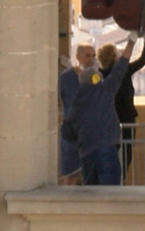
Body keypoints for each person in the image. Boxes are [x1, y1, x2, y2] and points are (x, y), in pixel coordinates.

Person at [61, 32, 138, 185]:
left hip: (87, 155)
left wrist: (80, 138)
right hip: (107, 150)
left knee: (92, 196)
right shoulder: (106, 90)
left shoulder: (77, 103)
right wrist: (131, 41)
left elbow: (66, 132)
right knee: (109, 196)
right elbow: (121, 66)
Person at [96, 35, 145, 175]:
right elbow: (142, 60)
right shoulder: (123, 71)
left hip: (106, 121)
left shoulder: (99, 76)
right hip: (126, 119)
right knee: (126, 155)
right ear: (115, 57)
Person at [58, 42, 95, 185]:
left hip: (91, 135)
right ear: (78, 56)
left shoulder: (96, 78)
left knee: (91, 177)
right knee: (70, 176)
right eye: (87, 55)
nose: (91, 60)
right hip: (71, 136)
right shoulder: (66, 78)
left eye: (93, 56)